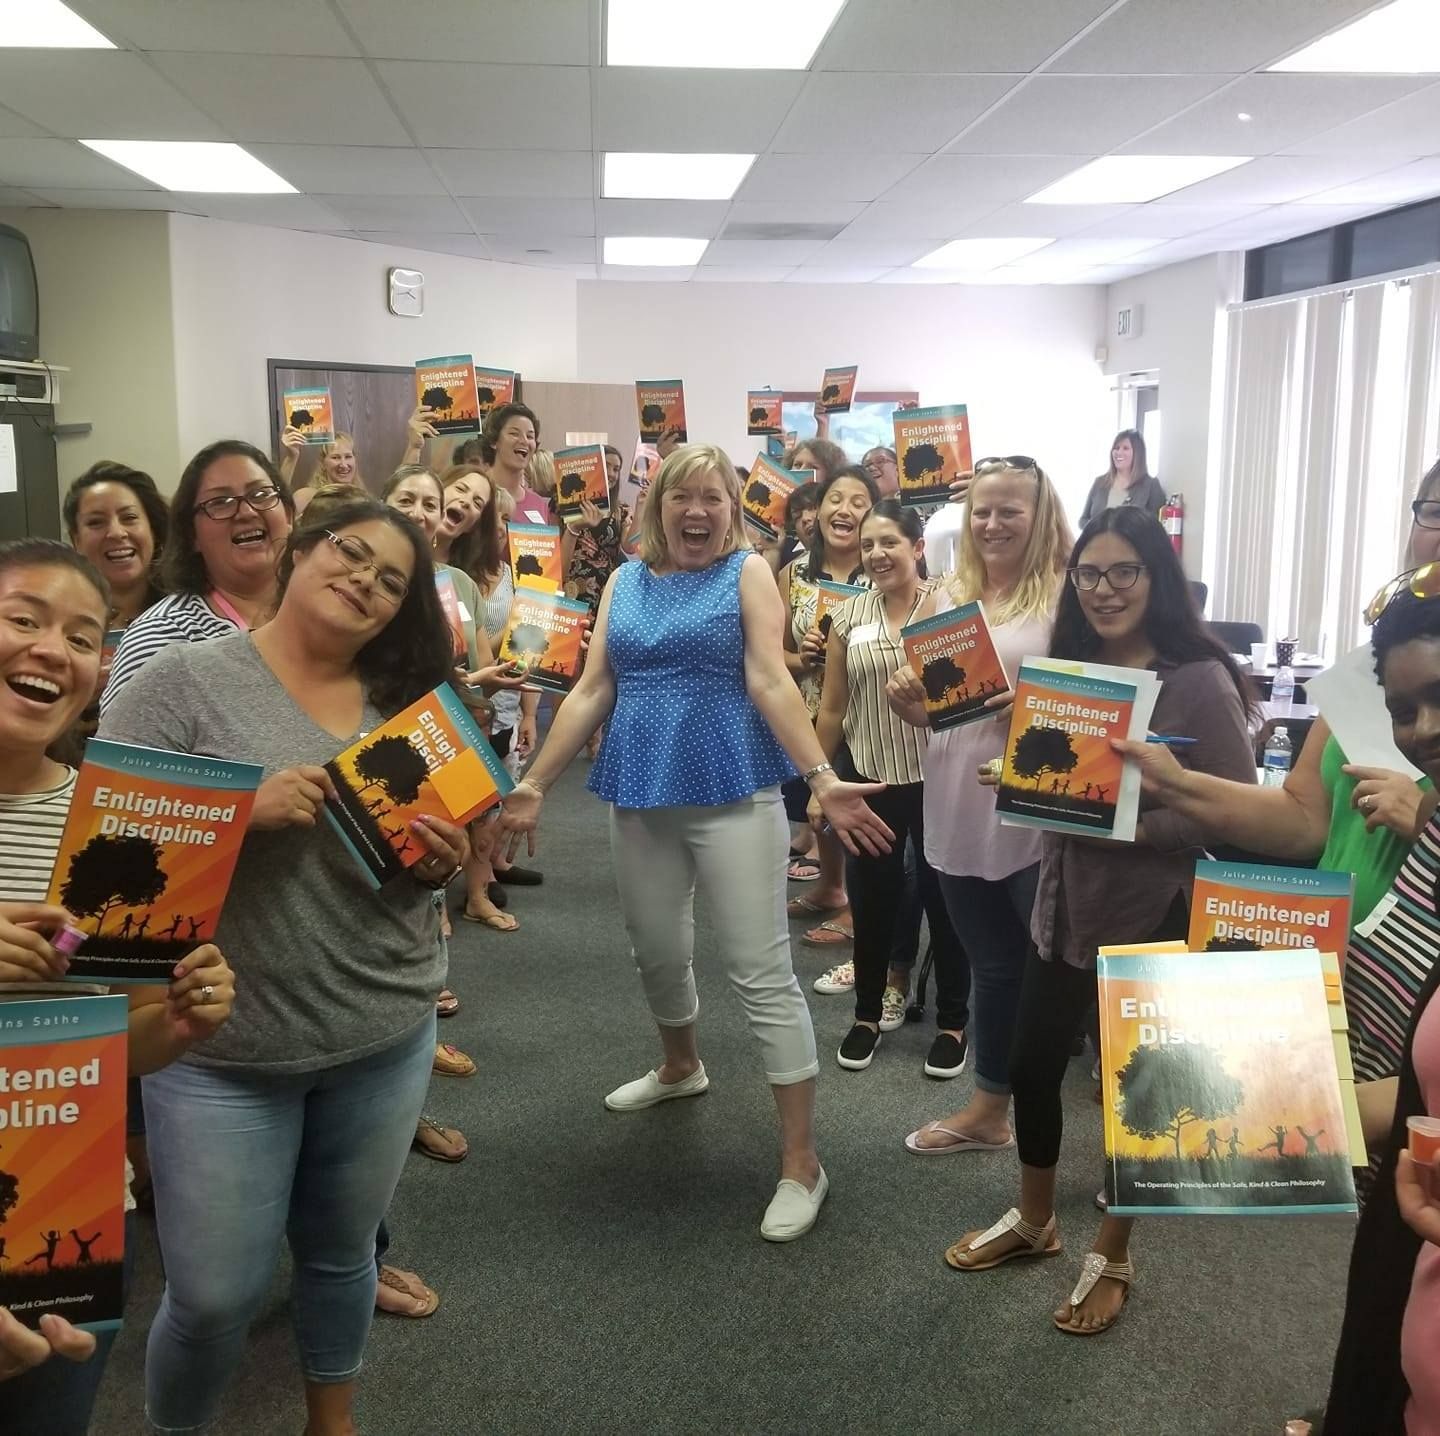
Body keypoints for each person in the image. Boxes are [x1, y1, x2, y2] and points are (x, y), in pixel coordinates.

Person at [99, 495, 469, 1435]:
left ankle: (330, 1422)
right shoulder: (177, 687)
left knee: (343, 1256)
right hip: (222, 1049)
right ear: (300, 550)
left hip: (383, 1027)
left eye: (393, 580)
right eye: (351, 553)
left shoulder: (406, 709)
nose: (367, 582)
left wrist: (441, 863)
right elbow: (106, 882)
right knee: (213, 1297)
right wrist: (234, 814)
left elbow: (411, 877)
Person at [497, 444, 893, 1241]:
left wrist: (818, 776)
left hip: (734, 790)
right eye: (683, 496)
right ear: (659, 506)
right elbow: (594, 687)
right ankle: (681, 1065)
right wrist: (534, 782)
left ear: (731, 510)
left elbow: (770, 680)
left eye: (713, 497)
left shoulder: (745, 573)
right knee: (654, 948)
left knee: (759, 969)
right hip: (641, 789)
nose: (697, 511)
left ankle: (801, 1162)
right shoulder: (625, 580)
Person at [944, 506, 1256, 1337]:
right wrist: (1019, 778)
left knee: (1140, 1099)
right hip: (1064, 905)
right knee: (1033, 1063)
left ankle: (1114, 1251)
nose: (1106, 589)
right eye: (1090, 574)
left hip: (1151, 913)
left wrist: (1119, 825)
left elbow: (1237, 813)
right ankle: (1038, 1222)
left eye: (1125, 572)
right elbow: (1061, 779)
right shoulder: (1069, 665)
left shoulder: (1196, 678)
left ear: (1158, 579)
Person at [0, 538, 235, 1436]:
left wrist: (182, 1022)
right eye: (24, 619)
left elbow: (127, 1039)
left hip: (63, 1205)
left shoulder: (118, 823)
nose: (52, 649)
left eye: (83, 636)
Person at [886, 457, 1073, 1151]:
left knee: (1063, 980)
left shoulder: (1068, 600)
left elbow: (1103, 711)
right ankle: (990, 1111)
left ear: (1040, 516)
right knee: (993, 966)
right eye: (983, 511)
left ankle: (1112, 1140)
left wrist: (1038, 709)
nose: (992, 524)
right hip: (958, 806)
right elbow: (939, 717)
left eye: (1010, 511)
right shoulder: (947, 599)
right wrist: (910, 706)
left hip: (1037, 815)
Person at [812, 501, 970, 1076]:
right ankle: (865, 1016)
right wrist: (819, 780)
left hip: (940, 779)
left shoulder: (952, 609)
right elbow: (832, 707)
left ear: (917, 547)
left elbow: (970, 696)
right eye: (869, 544)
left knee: (944, 902)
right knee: (873, 900)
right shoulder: (849, 617)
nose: (877, 554)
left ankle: (954, 1021)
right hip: (868, 781)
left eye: (890, 543)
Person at [102, 441, 295, 714]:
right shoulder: (161, 636)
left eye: (261, 494)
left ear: (288, 515)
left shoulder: (326, 610)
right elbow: (118, 756)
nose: (247, 512)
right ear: (191, 535)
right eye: (220, 502)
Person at [777, 466, 878, 968]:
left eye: (859, 502)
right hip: (808, 708)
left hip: (867, 711)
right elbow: (777, 657)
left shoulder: (882, 567)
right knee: (817, 805)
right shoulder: (792, 574)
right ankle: (830, 887)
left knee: (857, 807)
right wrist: (807, 657)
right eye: (836, 499)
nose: (844, 510)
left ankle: (860, 909)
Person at [62, 461, 168, 628]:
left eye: (129, 517)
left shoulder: (193, 613)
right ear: (76, 540)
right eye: (96, 522)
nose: (116, 533)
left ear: (153, 530)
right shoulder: (57, 619)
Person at [479, 402, 550, 526]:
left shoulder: (539, 504)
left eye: (530, 436)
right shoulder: (477, 492)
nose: (524, 441)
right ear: (494, 441)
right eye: (514, 434)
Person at [1079, 428, 1165, 529]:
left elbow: (1157, 527)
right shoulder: (1100, 482)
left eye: (1125, 448)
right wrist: (1096, 529)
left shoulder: (1150, 486)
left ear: (1137, 453)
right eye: (1116, 448)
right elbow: (1083, 520)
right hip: (1099, 544)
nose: (1118, 452)